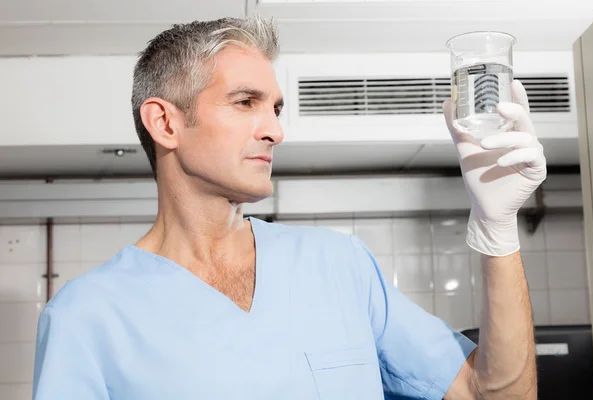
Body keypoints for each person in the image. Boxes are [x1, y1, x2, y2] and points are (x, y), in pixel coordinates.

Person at [32, 15, 544, 400]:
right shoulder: (86, 316)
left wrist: (497, 229)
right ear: (165, 123)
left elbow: (491, 392)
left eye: (275, 108)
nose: (276, 129)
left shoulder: (339, 265)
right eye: (244, 102)